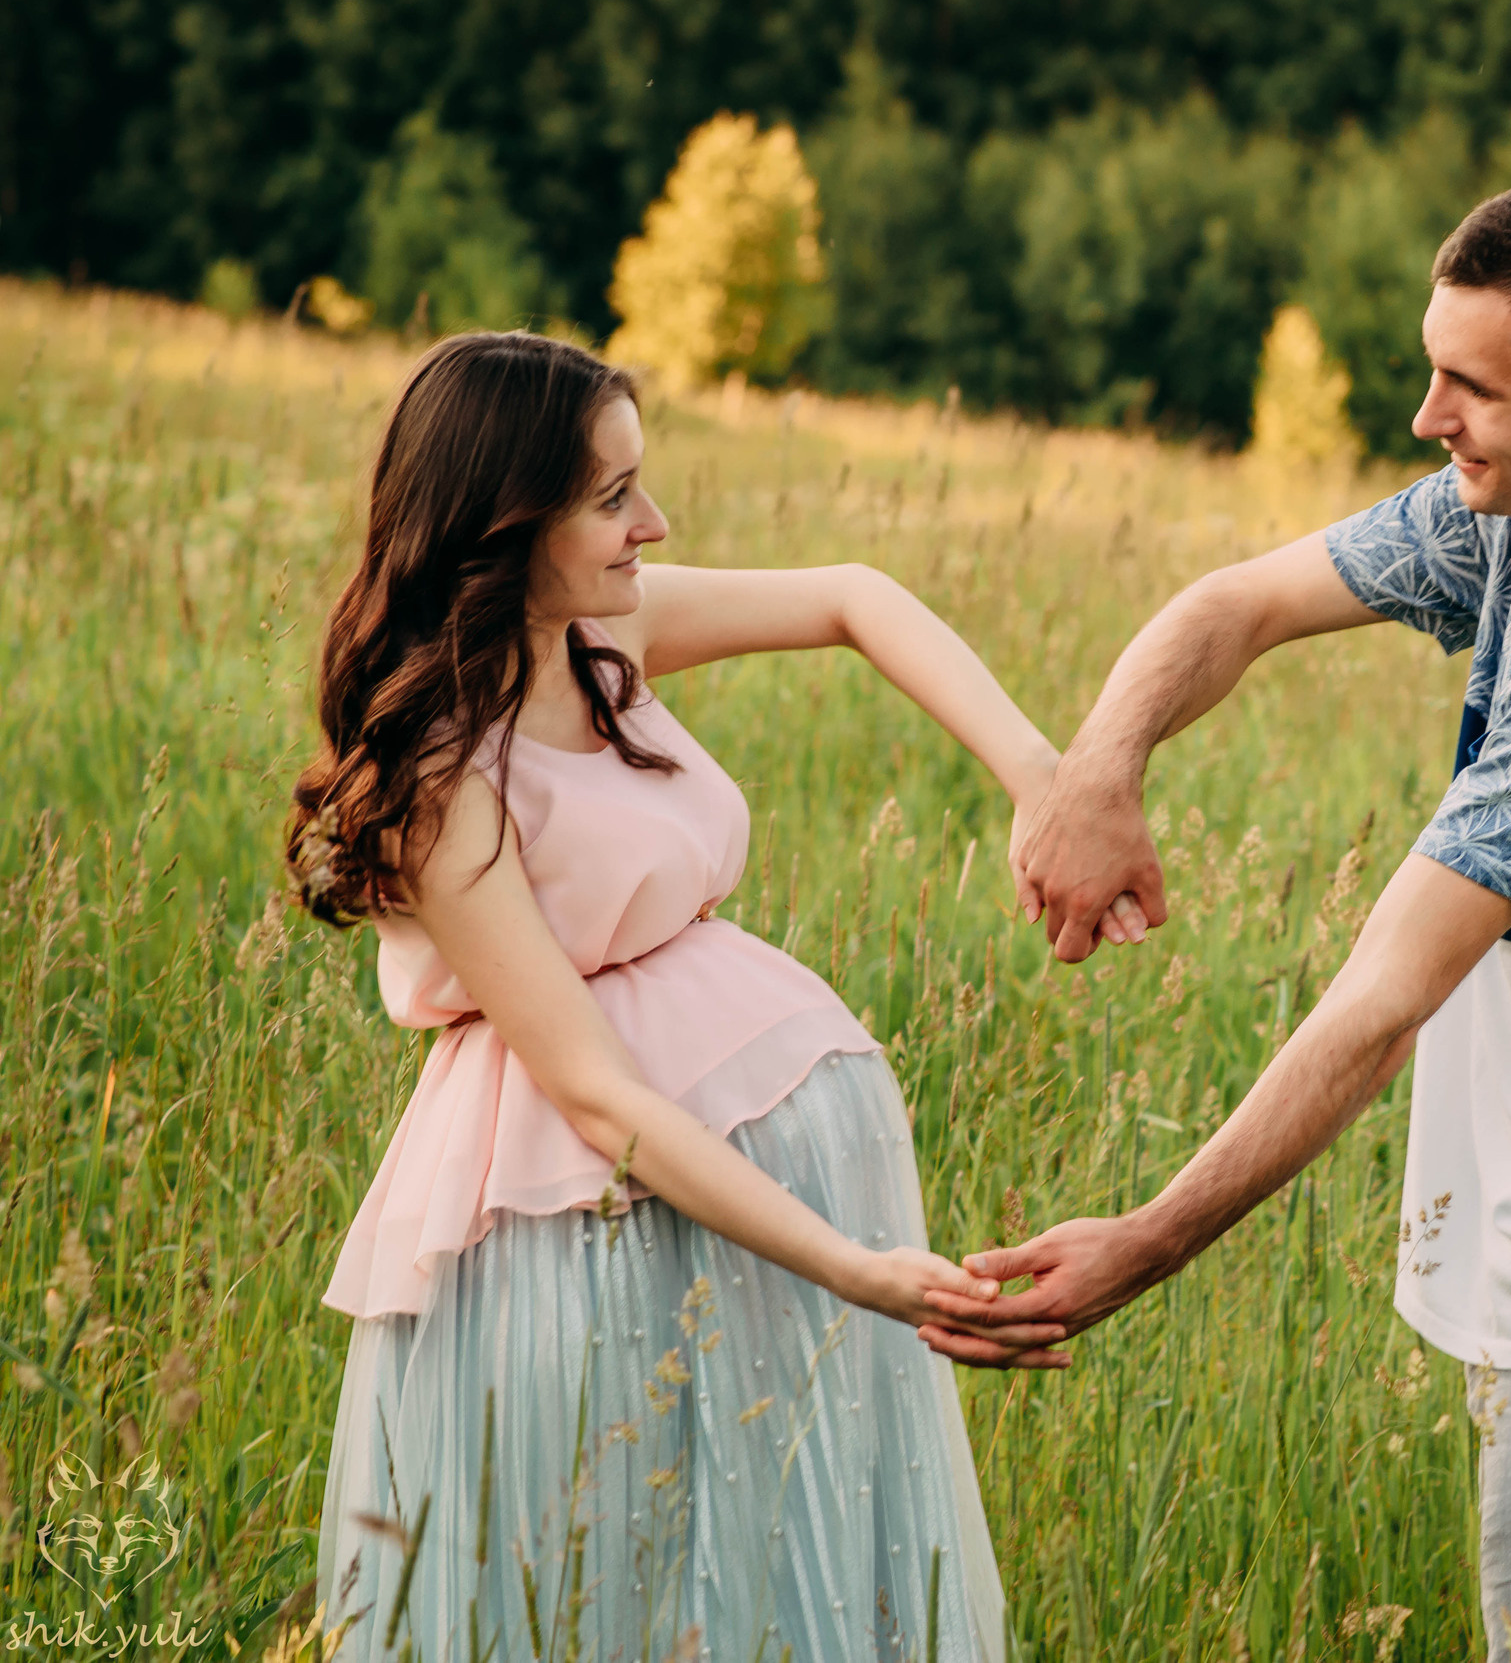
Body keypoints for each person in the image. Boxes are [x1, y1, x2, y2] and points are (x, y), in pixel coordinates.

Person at [927, 173, 1511, 1660]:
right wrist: (1100, 769)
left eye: (1471, 387)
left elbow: (1382, 997)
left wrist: (1147, 1246)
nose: (1430, 416)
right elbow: (1238, 602)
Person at [292, 331, 1094, 1660]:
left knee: (773, 1580)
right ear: (505, 518)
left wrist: (1041, 780)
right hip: (589, 1225)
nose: (649, 525)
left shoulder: (599, 632)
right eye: (611, 498)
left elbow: (854, 595)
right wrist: (856, 1272)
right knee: (620, 1595)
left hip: (746, 1216)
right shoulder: (442, 778)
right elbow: (601, 1095)